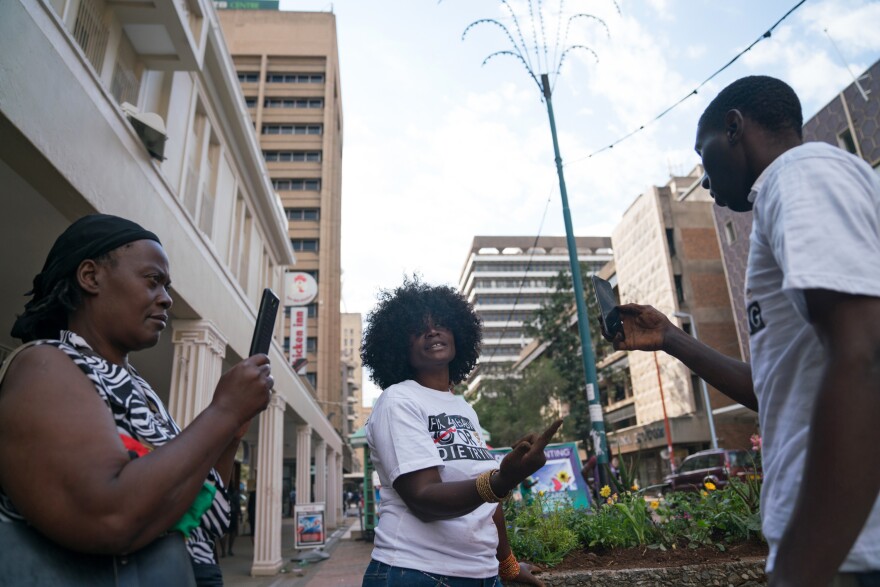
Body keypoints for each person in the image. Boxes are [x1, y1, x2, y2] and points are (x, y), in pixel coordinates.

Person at [610, 76, 880, 586]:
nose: (706, 180)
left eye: (703, 152)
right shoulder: (795, 189)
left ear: (734, 127)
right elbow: (773, 390)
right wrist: (670, 338)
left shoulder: (800, 175)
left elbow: (865, 352)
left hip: (851, 552)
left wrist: (803, 567)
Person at [0, 214, 274, 586]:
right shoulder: (45, 365)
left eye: (167, 286)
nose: (166, 298)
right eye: (153, 281)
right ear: (90, 277)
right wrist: (222, 412)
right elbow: (110, 517)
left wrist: (231, 434)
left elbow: (197, 513)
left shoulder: (138, 389)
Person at [361, 278, 562, 587]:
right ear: (399, 344)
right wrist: (503, 479)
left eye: (441, 323)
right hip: (415, 572)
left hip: (480, 575)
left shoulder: (463, 408)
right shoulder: (398, 401)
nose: (432, 331)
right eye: (418, 328)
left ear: (458, 334)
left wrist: (506, 564)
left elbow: (486, 503)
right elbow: (424, 499)